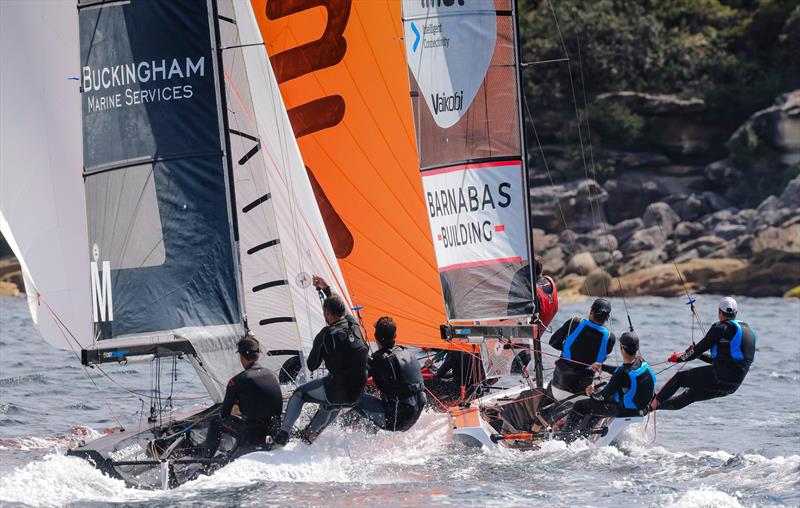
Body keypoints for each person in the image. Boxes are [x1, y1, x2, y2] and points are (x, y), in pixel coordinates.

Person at [274, 275, 369, 445]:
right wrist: (326, 288)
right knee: (331, 404)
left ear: (328, 313)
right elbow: (345, 310)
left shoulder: (326, 334)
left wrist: (322, 347)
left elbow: (312, 365)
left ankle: (283, 435)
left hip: (338, 391)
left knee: (299, 394)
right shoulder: (355, 326)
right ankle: (309, 437)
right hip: (357, 393)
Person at [653, 297, 756, 411]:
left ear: (719, 311)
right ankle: (649, 410)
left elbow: (696, 350)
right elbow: (722, 360)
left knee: (679, 378)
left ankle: (652, 405)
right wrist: (699, 355)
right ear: (736, 313)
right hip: (732, 386)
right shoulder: (748, 331)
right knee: (690, 396)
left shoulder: (720, 328)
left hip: (719, 377)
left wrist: (679, 358)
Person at [204, 334, 283, 457]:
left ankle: (206, 463)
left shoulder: (236, 381)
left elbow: (224, 414)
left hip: (252, 435)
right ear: (258, 355)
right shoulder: (272, 375)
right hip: (274, 432)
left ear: (241, 357)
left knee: (216, 422)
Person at [561, 331, 656, 434]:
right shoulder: (641, 361)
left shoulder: (621, 373)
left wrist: (591, 393)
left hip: (624, 410)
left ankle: (565, 436)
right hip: (639, 407)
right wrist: (604, 367)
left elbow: (601, 397)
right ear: (637, 348)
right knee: (595, 405)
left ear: (622, 349)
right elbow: (624, 372)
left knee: (580, 406)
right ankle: (586, 431)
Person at [351, 316, 427, 431]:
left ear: (376, 338)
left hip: (397, 421)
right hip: (415, 413)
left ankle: (337, 428)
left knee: (348, 395)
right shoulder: (406, 352)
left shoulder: (379, 359)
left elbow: (354, 379)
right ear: (394, 336)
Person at [547, 298, 616, 400]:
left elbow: (553, 342)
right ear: (608, 317)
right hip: (582, 395)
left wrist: (568, 349)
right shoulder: (610, 338)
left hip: (557, 388)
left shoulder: (574, 322)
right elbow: (601, 360)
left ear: (590, 311)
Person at [506, 255, 560, 327]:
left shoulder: (531, 292)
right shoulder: (549, 280)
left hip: (536, 325)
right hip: (545, 320)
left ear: (529, 271)